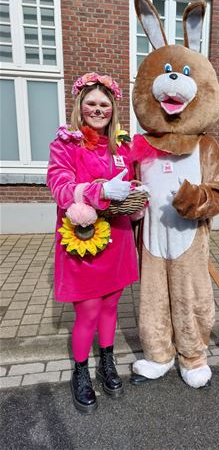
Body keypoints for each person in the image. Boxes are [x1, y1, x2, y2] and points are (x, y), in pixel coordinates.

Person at [47, 72, 139, 413]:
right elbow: (59, 187)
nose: (98, 110)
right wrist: (99, 190)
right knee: (87, 311)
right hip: (82, 239)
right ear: (80, 106)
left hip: (118, 237)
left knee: (111, 306)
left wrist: (136, 195)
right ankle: (81, 372)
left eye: (104, 104)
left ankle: (107, 361)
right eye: (91, 104)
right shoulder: (65, 143)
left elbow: (131, 182)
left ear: (113, 109)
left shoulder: (121, 145)